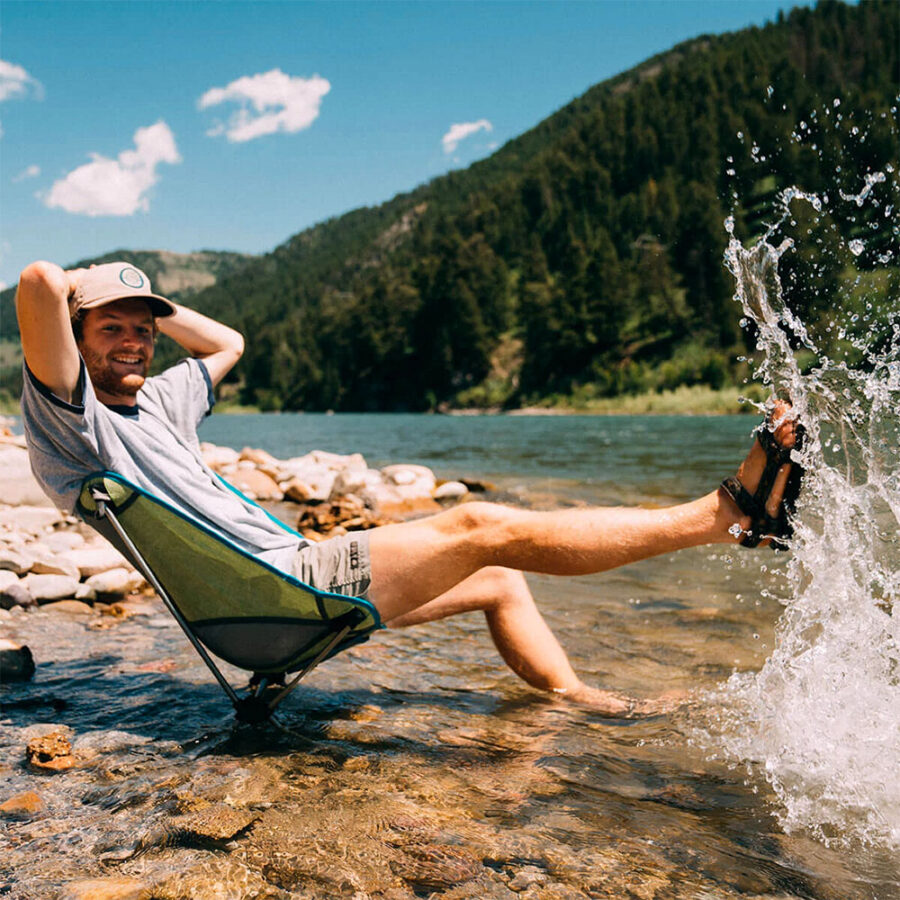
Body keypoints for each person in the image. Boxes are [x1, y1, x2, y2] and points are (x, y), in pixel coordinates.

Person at [15, 260, 801, 717]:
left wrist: (150, 295)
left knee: (497, 577)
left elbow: (230, 342)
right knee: (481, 524)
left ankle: (575, 701)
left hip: (287, 580)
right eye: (111, 327)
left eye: (143, 328)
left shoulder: (160, 398)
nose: (135, 340)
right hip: (269, 606)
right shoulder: (72, 416)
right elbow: (39, 280)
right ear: (76, 339)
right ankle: (727, 514)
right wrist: (94, 285)